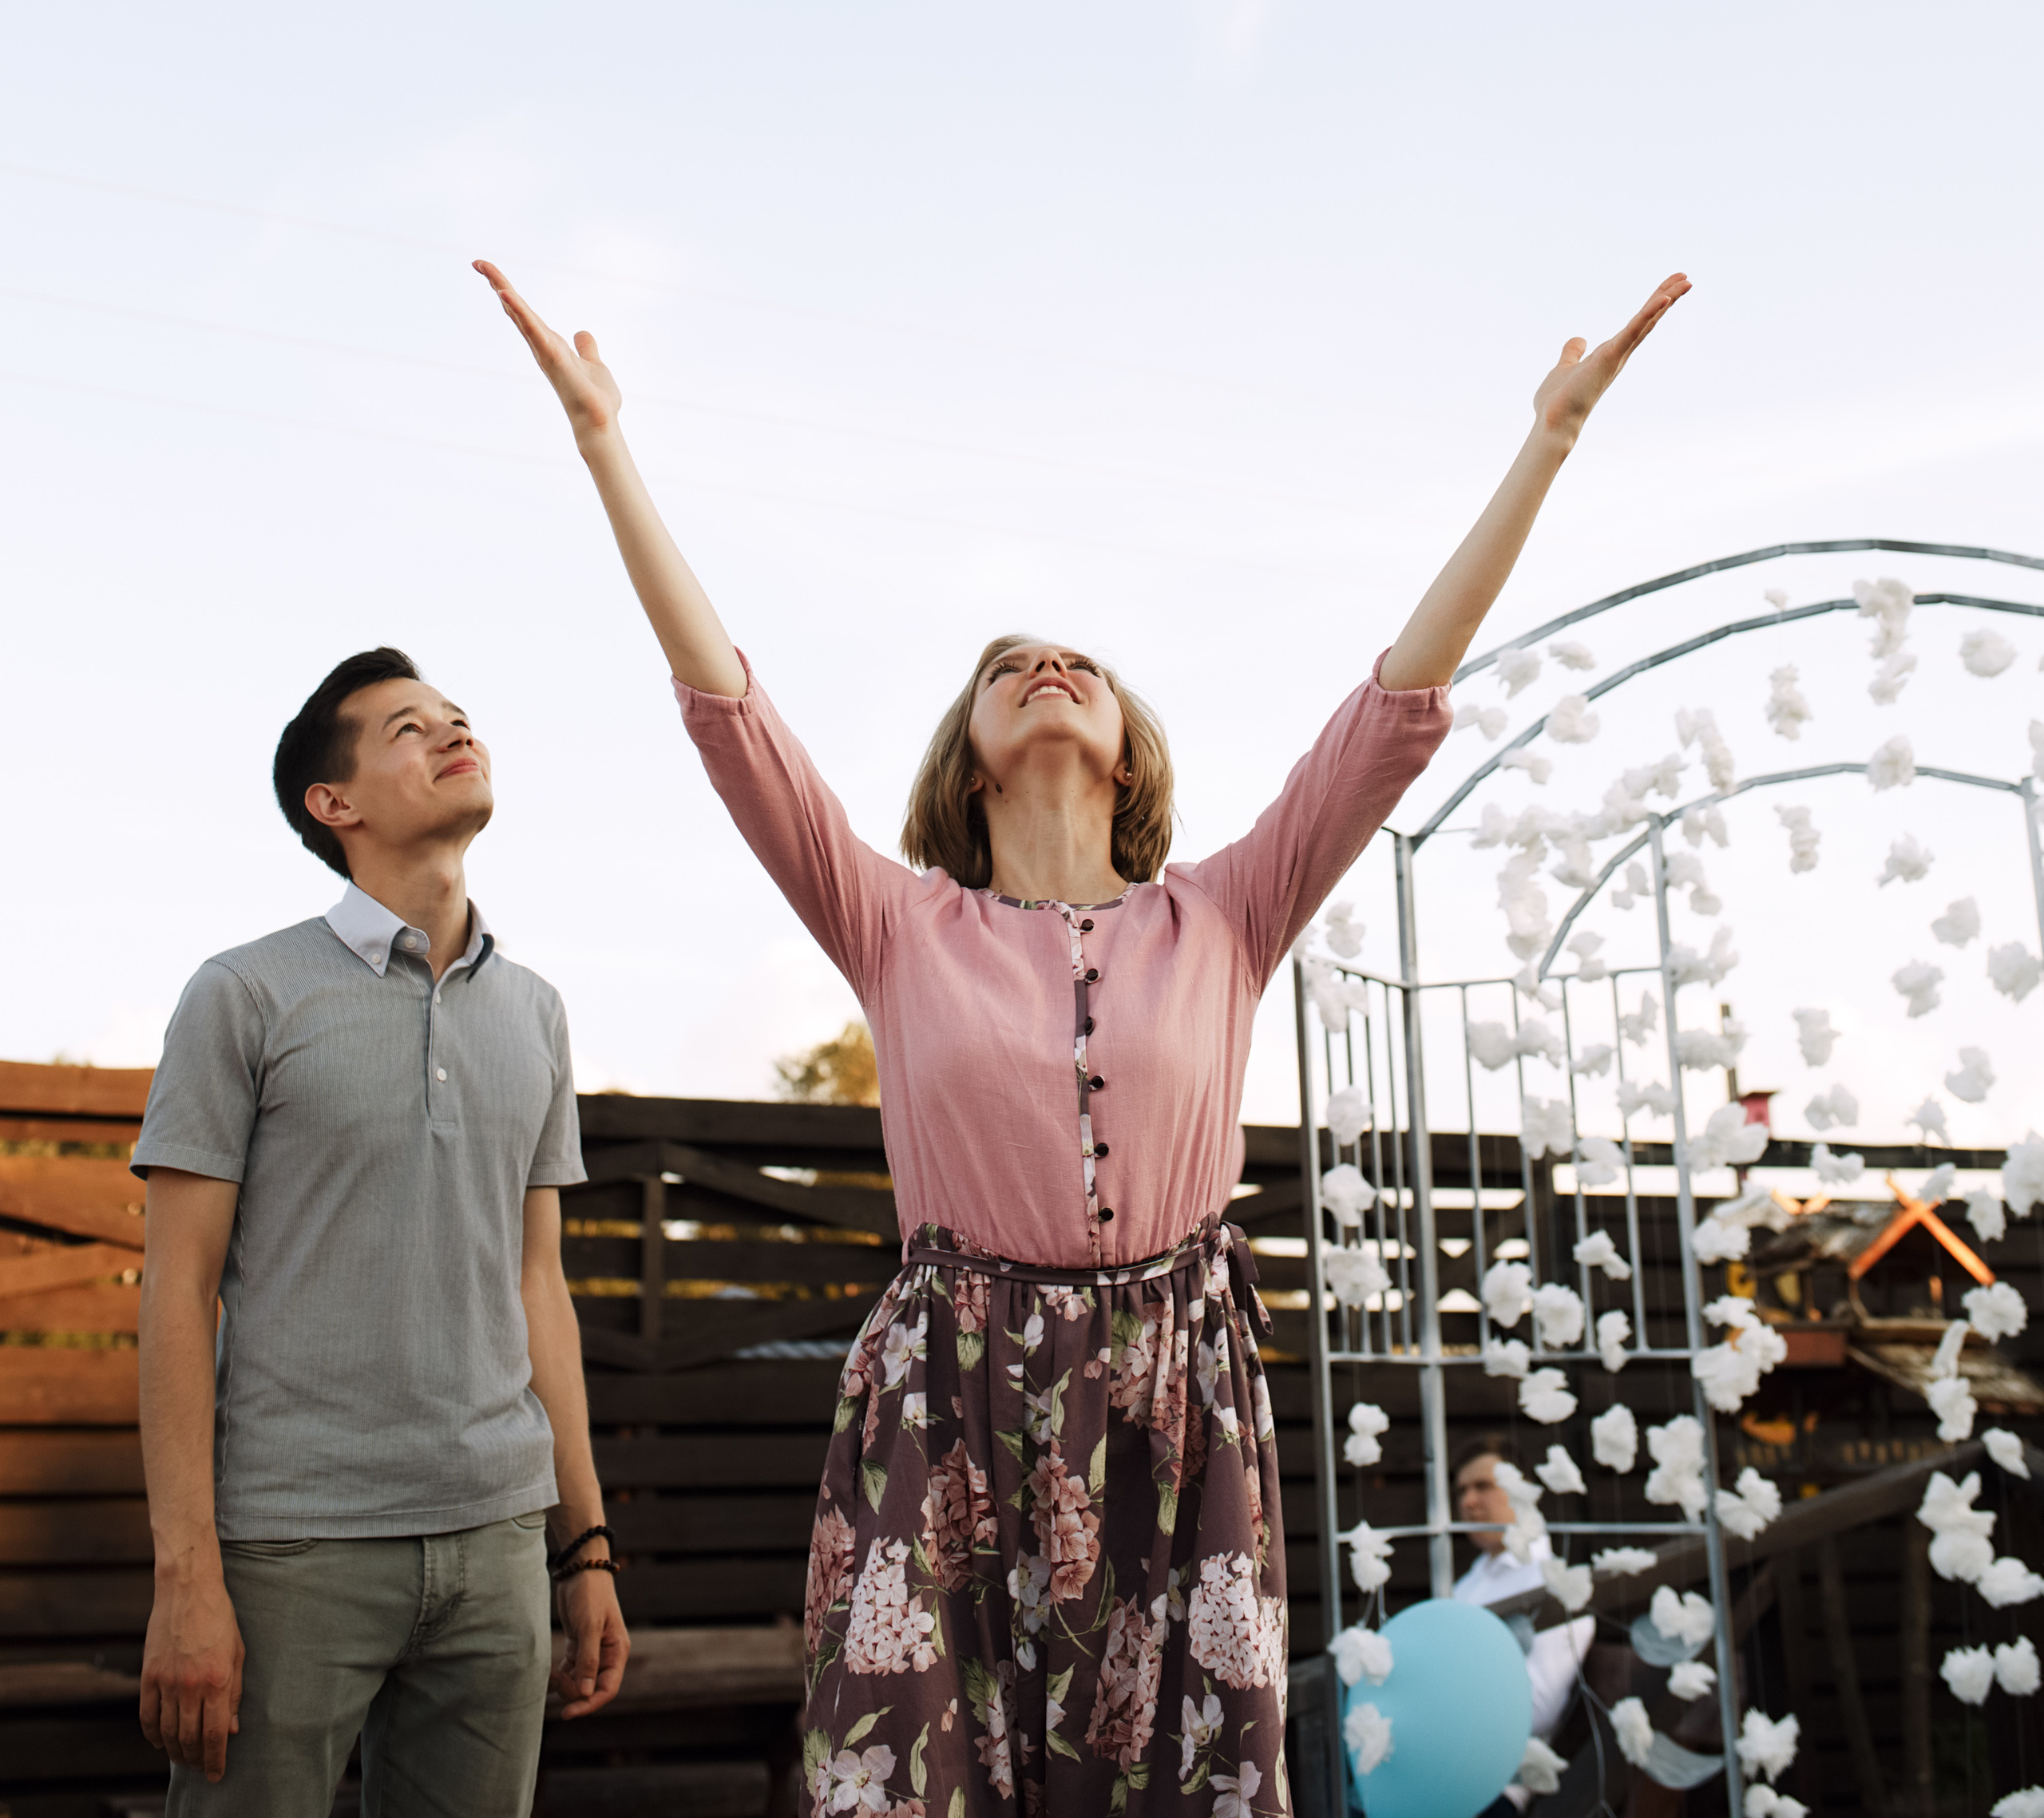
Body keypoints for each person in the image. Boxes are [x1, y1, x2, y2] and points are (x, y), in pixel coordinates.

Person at [478, 255, 1688, 1817]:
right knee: (920, 1781)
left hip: (1175, 1399)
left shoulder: (1229, 911)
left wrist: (1548, 441)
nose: (1045, 669)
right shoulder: (895, 922)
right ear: (970, 757)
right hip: (949, 1394)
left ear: (1125, 751)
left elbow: (1399, 702)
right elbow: (732, 717)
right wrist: (604, 444)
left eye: (1079, 667)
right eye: (1006, 670)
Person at [133, 647, 630, 1808]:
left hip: (499, 1543)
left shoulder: (537, 1012)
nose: (453, 731)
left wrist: (585, 1545)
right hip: (292, 1549)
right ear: (335, 803)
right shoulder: (244, 995)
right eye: (409, 727)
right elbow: (175, 1292)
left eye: (456, 716)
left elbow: (537, 1287)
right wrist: (187, 1578)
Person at [1452, 1444, 1593, 1812]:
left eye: (1483, 1486)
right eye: (1462, 1490)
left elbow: (1536, 1711)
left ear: (1522, 1489)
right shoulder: (1467, 1585)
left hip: (1496, 1784)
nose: (1468, 1501)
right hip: (1444, 1770)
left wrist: (1446, 1707)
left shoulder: (1555, 1583)